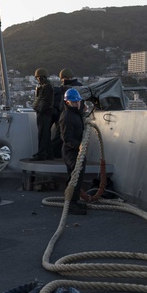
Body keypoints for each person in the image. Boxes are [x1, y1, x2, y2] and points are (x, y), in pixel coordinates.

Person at [59, 87, 88, 215]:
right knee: (74, 176)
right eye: (74, 102)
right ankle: (71, 204)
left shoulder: (75, 112)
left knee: (78, 175)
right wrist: (79, 146)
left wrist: (82, 108)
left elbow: (79, 110)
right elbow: (66, 138)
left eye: (79, 102)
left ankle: (73, 201)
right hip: (71, 152)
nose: (77, 104)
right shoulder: (67, 117)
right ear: (67, 103)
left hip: (77, 151)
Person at [51, 68, 83, 159]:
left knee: (61, 136)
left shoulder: (67, 88)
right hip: (74, 115)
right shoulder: (78, 86)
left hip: (67, 114)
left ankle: (54, 154)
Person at [31, 68, 54, 160]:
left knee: (43, 134)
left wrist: (40, 110)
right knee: (45, 134)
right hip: (44, 113)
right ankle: (48, 153)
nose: (38, 79)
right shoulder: (46, 86)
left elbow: (45, 101)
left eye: (39, 77)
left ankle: (42, 154)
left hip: (44, 113)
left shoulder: (47, 87)